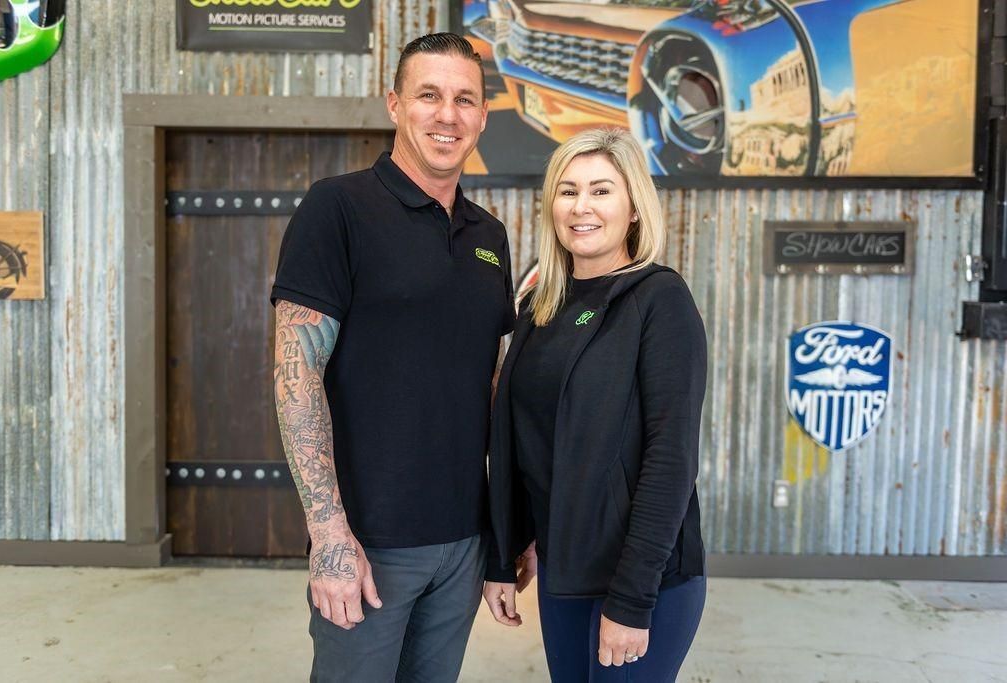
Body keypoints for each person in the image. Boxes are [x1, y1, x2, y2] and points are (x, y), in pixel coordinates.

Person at [270, 33, 516, 682]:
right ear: (394, 104)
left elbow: (487, 388)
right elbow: (296, 377)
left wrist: (501, 532)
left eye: (465, 99)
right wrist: (328, 533)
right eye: (428, 94)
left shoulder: (490, 237)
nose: (447, 114)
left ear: (483, 116)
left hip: (463, 544)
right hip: (368, 544)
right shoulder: (338, 208)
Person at [482, 128, 708, 682]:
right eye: (568, 190)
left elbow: (670, 459)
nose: (581, 206)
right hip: (563, 569)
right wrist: (504, 555)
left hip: (640, 579)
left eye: (601, 191)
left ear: (633, 207)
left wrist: (632, 600)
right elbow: (520, 441)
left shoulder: (659, 299)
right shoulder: (540, 306)